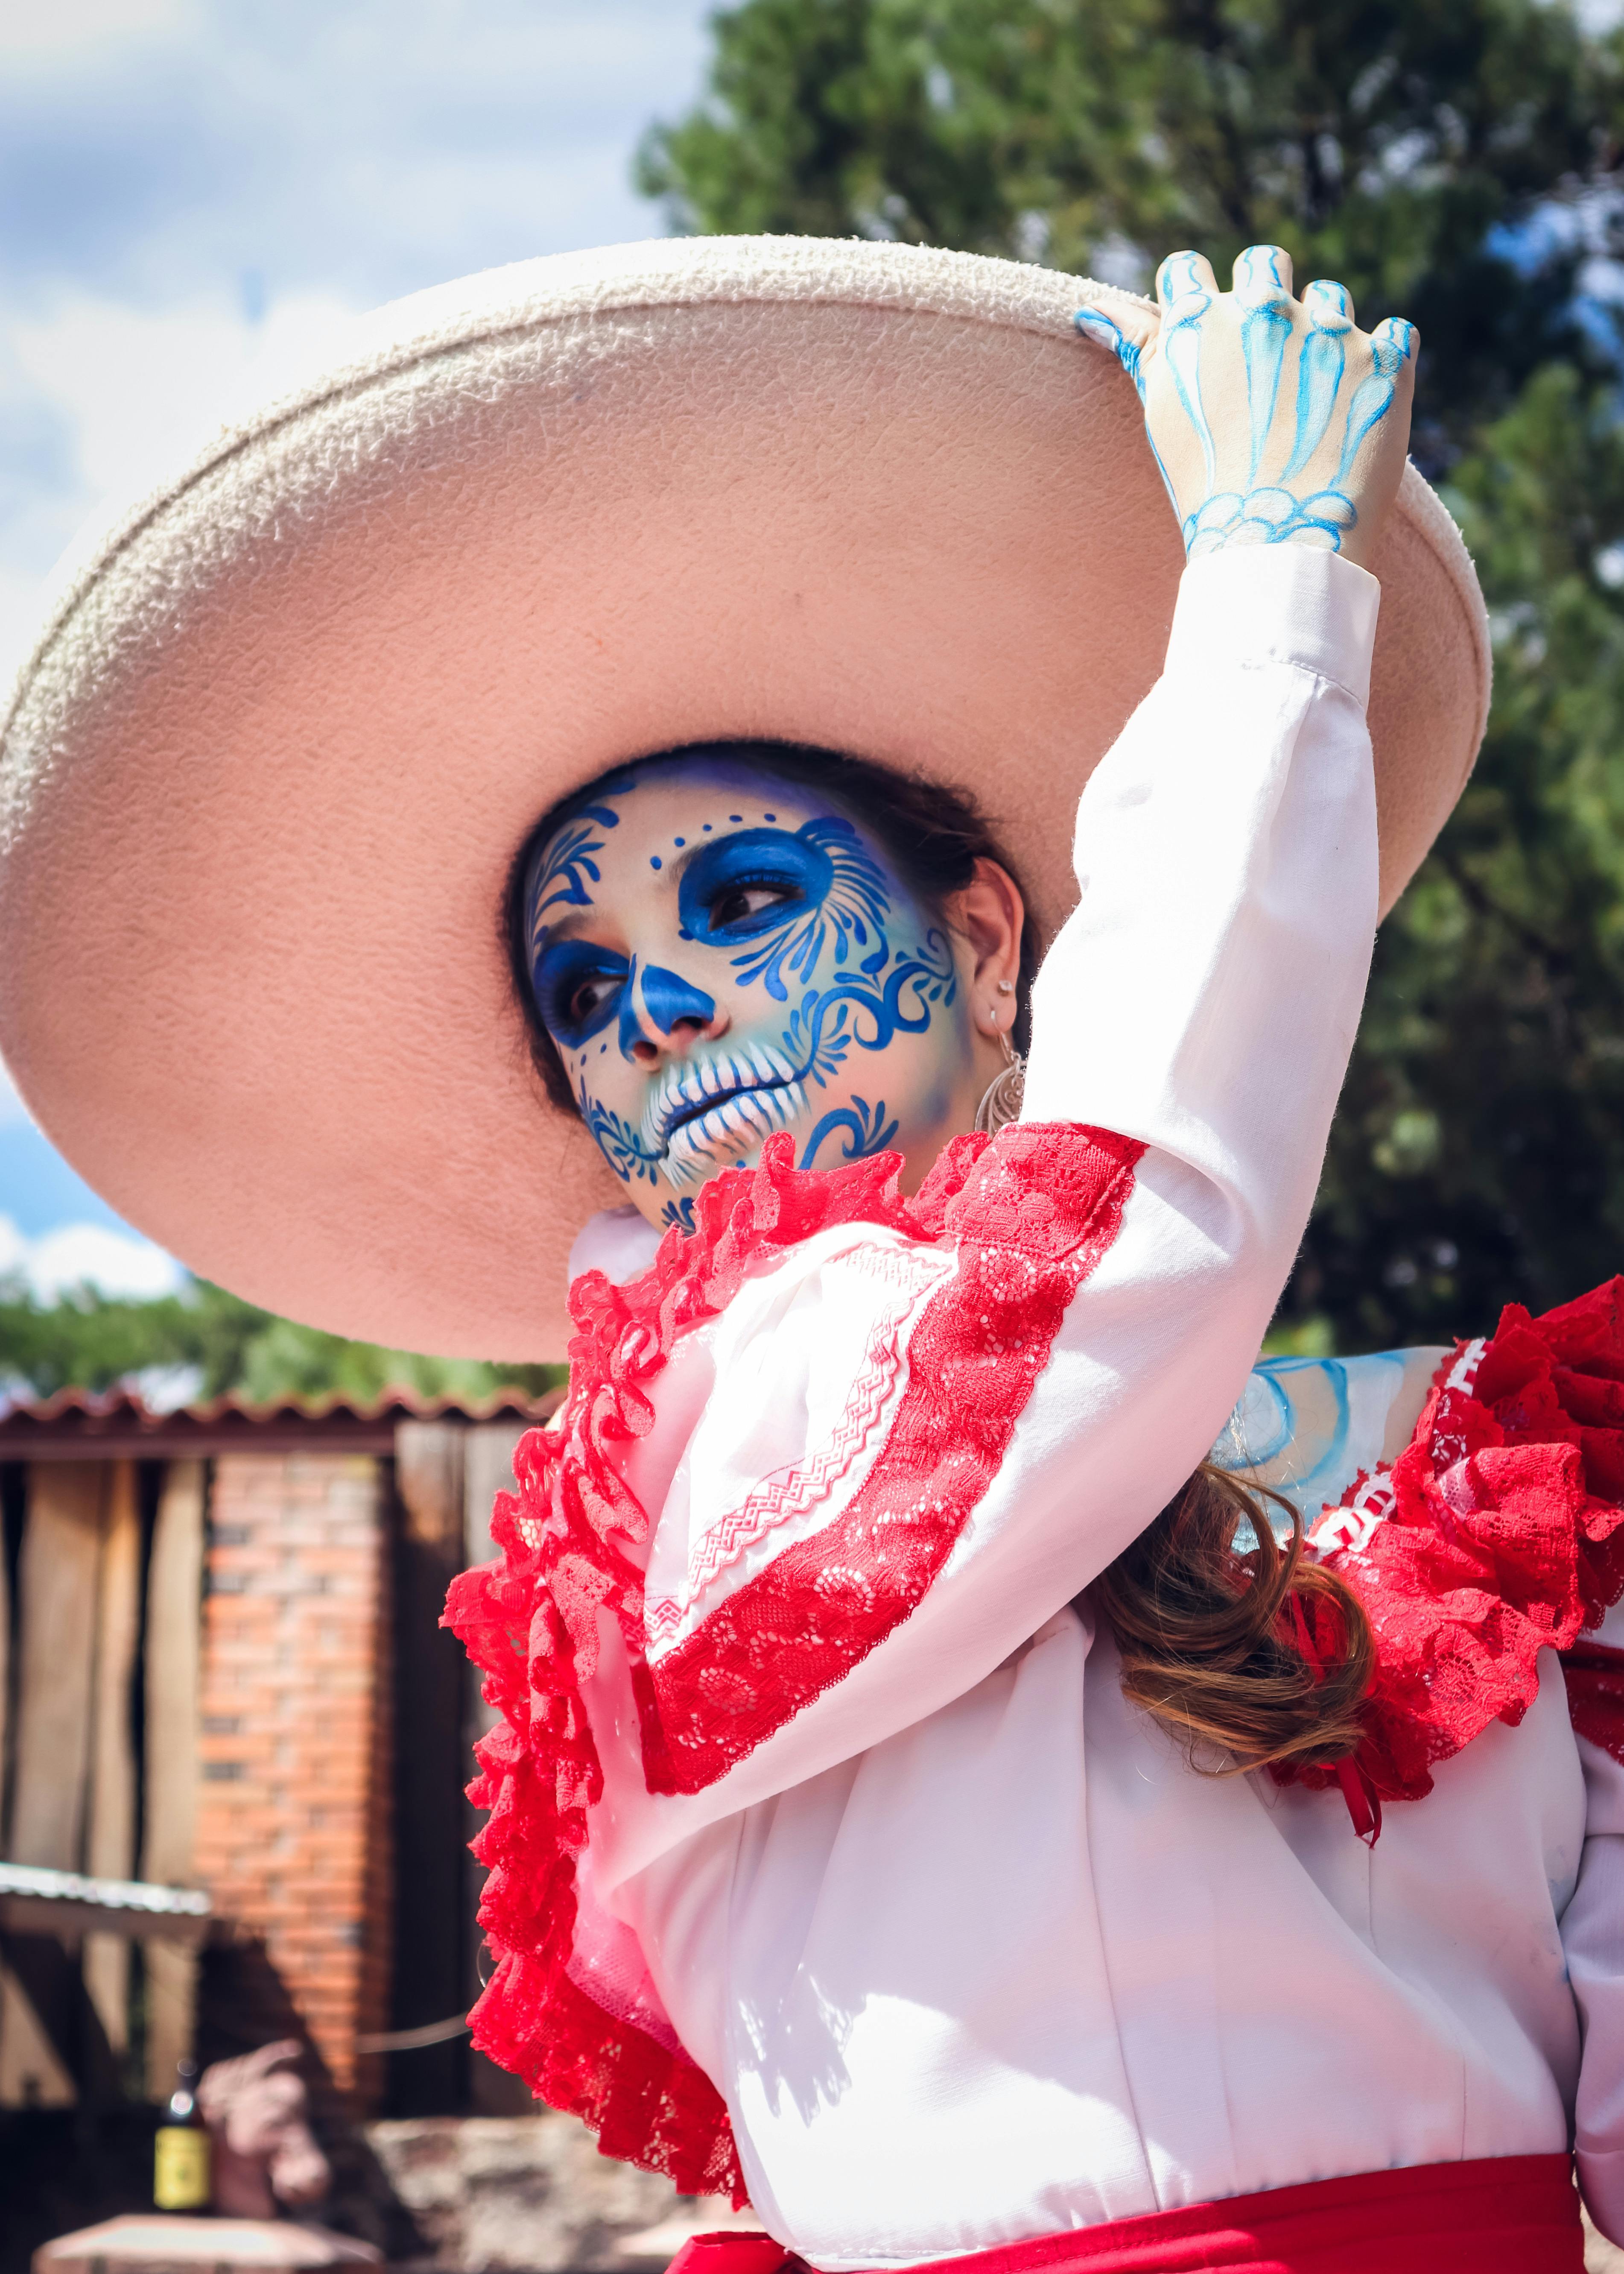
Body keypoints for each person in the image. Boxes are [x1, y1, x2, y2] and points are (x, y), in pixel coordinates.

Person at [0, 233, 1610, 2271]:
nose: (652, 1011)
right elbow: (1120, 1259)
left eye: (744, 903)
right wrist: (1272, 589)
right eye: (583, 991)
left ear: (987, 942)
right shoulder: (716, 1434)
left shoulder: (1471, 1483)